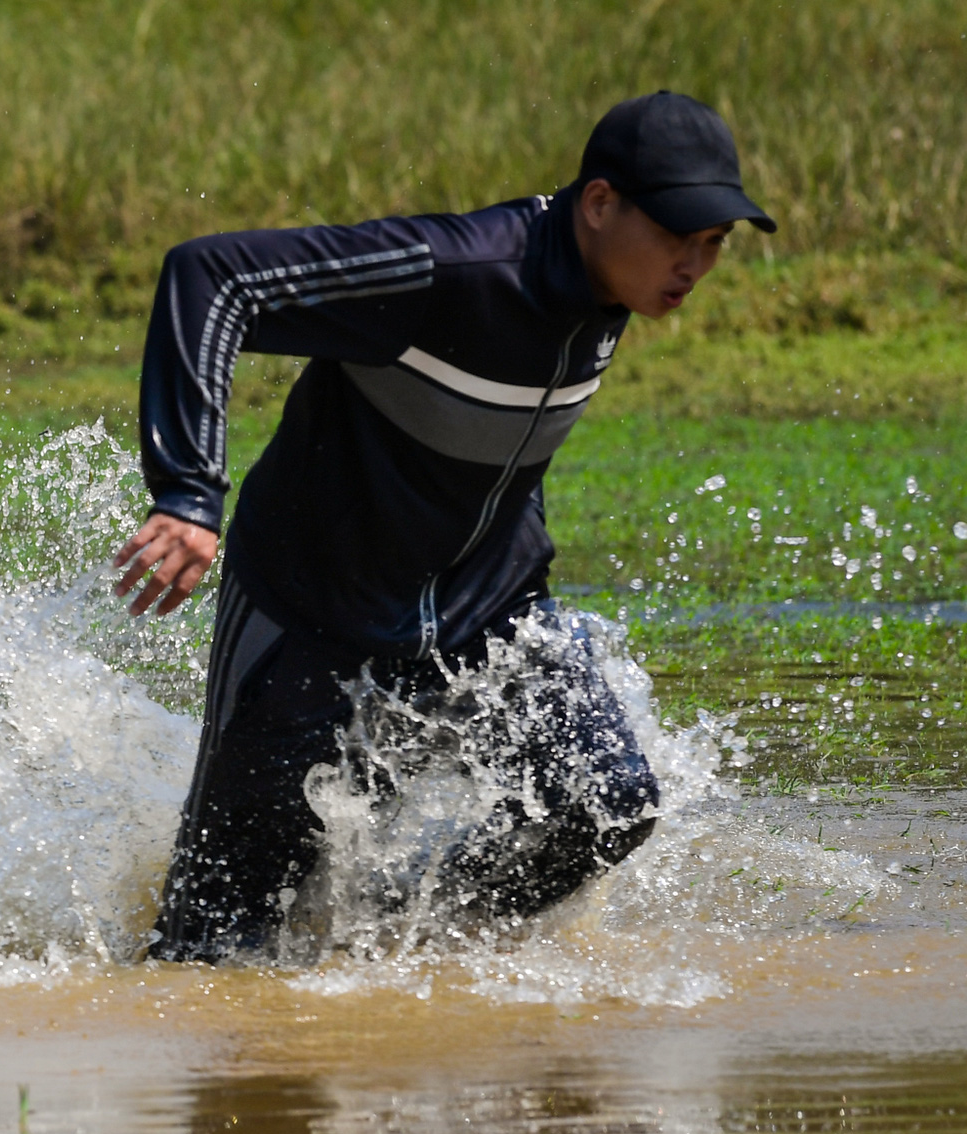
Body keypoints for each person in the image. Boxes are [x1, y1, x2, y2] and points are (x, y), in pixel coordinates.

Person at [113, 92, 775, 963]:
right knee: (213, 949)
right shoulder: (448, 271)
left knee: (606, 805)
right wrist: (190, 493)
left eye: (714, 243)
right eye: (678, 234)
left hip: (487, 620)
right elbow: (212, 277)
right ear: (601, 203)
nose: (694, 263)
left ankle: (403, 954)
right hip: (306, 620)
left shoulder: (613, 288)